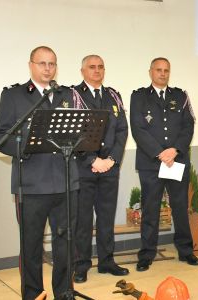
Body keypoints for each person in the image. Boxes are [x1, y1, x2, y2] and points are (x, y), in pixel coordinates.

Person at [0, 46, 79, 299]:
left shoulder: (67, 95)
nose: (48, 69)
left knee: (65, 244)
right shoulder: (14, 96)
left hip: (66, 183)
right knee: (31, 247)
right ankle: (33, 294)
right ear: (31, 65)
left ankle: (64, 292)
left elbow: (81, 133)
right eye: (42, 63)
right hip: (31, 185)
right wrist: (27, 146)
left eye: (52, 64)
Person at [130, 57, 198, 271]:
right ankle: (147, 255)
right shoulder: (139, 96)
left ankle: (186, 251)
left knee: (180, 208)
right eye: (158, 70)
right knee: (150, 211)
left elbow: (188, 125)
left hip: (176, 161)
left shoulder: (180, 96)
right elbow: (137, 128)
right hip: (152, 163)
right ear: (150, 72)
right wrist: (160, 153)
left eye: (166, 70)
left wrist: (175, 150)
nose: (162, 73)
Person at [73, 55, 129, 283]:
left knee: (106, 218)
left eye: (100, 67)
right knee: (83, 220)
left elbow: (122, 131)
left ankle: (107, 261)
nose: (97, 71)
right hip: (84, 169)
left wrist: (112, 159)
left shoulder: (113, 95)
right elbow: (73, 132)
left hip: (110, 168)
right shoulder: (73, 95)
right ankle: (81, 265)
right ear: (82, 70)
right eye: (92, 67)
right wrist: (91, 160)